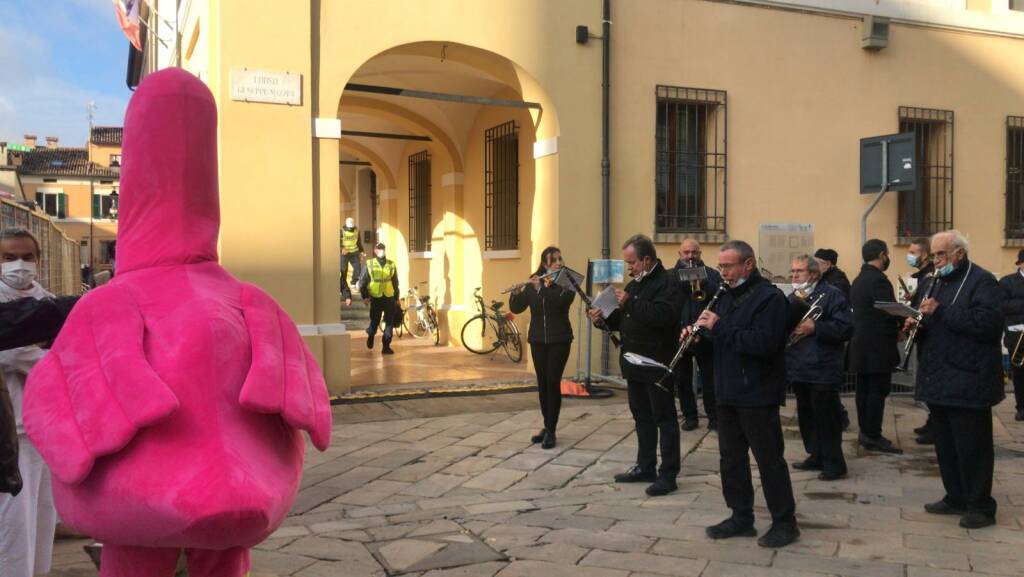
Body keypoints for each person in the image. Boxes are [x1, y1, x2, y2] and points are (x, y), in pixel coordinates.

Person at [693, 240, 798, 548]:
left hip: (757, 393)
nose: (721, 272)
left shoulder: (770, 298)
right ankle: (741, 516)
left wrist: (719, 327)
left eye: (727, 266)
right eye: (721, 266)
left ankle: (785, 522)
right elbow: (722, 340)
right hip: (726, 390)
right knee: (731, 459)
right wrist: (700, 338)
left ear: (748, 265)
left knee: (769, 460)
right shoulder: (724, 295)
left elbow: (764, 344)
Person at [912, 230, 1003, 529]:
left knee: (972, 447)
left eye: (941, 255)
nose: (935, 260)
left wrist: (941, 312)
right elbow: (934, 320)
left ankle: (980, 505)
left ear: (959, 254)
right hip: (938, 376)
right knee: (946, 444)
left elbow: (987, 324)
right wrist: (917, 322)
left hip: (969, 378)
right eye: (934, 255)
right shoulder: (934, 282)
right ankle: (955, 496)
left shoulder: (982, 281)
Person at [588, 234, 681, 497]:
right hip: (633, 363)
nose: (629, 267)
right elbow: (624, 320)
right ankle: (645, 466)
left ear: (647, 259)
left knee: (665, 419)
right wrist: (600, 317)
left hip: (657, 363)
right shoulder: (635, 284)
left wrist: (631, 302)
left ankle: (669, 474)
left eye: (632, 262)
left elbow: (664, 317)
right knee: (642, 417)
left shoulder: (667, 282)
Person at [0, 228, 56, 577]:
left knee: (42, 518)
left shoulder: (46, 302)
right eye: (9, 257)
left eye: (27, 256)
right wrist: (47, 358)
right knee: (13, 526)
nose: (19, 264)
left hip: (43, 431)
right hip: (8, 435)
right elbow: (10, 354)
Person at [786, 255, 852, 481]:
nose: (794, 276)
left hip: (823, 367)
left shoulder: (833, 294)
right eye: (792, 271)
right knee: (806, 415)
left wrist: (816, 327)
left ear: (813, 274)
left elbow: (845, 328)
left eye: (799, 271)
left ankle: (834, 462)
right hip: (799, 365)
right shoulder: (794, 296)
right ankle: (815, 454)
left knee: (827, 417)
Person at [510, 247, 574, 450]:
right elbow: (517, 307)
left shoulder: (566, 282)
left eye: (559, 258)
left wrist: (542, 289)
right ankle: (547, 426)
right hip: (538, 340)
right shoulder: (534, 280)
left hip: (560, 340)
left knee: (553, 382)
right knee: (543, 384)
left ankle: (552, 430)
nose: (558, 262)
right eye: (553, 260)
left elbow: (561, 303)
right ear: (545, 263)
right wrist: (515, 293)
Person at [849, 239, 902, 454]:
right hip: (878, 346)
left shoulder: (859, 279)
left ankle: (865, 432)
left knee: (863, 390)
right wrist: (900, 323)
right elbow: (887, 310)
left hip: (862, 344)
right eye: (887, 254)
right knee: (877, 392)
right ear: (882, 255)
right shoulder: (879, 280)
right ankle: (873, 435)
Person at [672, 239, 722, 432]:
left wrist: (705, 283)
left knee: (710, 379)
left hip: (705, 335)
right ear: (679, 254)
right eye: (686, 252)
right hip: (680, 334)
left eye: (694, 252)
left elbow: (721, 296)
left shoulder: (712, 274)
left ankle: (714, 417)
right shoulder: (671, 276)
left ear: (700, 253)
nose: (690, 256)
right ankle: (690, 416)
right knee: (682, 379)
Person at [905, 237, 938, 445]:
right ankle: (931, 422)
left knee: (932, 382)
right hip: (923, 335)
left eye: (913, 252)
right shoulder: (923, 277)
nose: (910, 255)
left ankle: (936, 426)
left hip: (931, 336)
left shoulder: (932, 276)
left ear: (925, 255)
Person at [359, 242, 399, 355]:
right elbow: (363, 281)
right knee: (375, 320)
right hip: (375, 297)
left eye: (382, 249)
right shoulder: (370, 264)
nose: (381, 251)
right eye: (378, 249)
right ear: (375, 251)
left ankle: (386, 346)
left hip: (389, 297)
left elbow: (395, 282)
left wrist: (397, 297)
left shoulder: (391, 264)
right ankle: (371, 334)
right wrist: (365, 296)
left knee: (389, 322)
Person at [999, 249, 1024, 423]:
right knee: (1020, 373)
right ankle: (1022, 407)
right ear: (1021, 263)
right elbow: (1002, 305)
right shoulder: (1007, 282)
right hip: (1017, 334)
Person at [340, 217, 364, 307]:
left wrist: (362, 251)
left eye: (351, 227)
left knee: (358, 268)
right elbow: (338, 242)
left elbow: (359, 242)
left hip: (354, 252)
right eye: (349, 227)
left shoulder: (356, 230)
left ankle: (353, 284)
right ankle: (343, 287)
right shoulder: (342, 231)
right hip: (345, 253)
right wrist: (341, 248)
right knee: (343, 271)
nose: (350, 229)